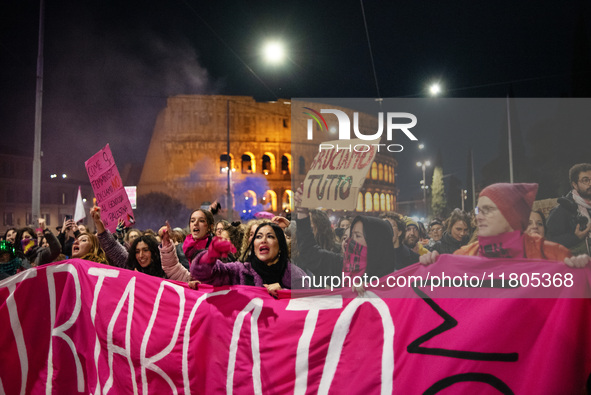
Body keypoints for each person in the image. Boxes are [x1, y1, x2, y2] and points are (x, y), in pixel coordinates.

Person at [420, 183, 589, 268]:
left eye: (489, 210)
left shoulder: (555, 254)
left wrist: (579, 272)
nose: (479, 217)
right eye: (480, 210)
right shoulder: (464, 254)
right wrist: (430, 266)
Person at [161, 222, 306, 296]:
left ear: (280, 245)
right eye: (258, 237)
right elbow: (205, 274)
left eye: (270, 236)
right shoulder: (239, 270)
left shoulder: (296, 275)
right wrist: (209, 256)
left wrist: (286, 293)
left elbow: (315, 302)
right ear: (253, 245)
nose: (263, 241)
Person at [91, 206, 166, 277]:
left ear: (154, 252)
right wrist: (98, 222)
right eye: (137, 251)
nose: (141, 255)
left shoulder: (165, 269)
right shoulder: (130, 266)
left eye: (145, 250)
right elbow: (111, 246)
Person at [546, 163, 591, 255]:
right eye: (585, 180)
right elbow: (549, 241)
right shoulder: (562, 209)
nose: (590, 183)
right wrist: (575, 237)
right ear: (574, 184)